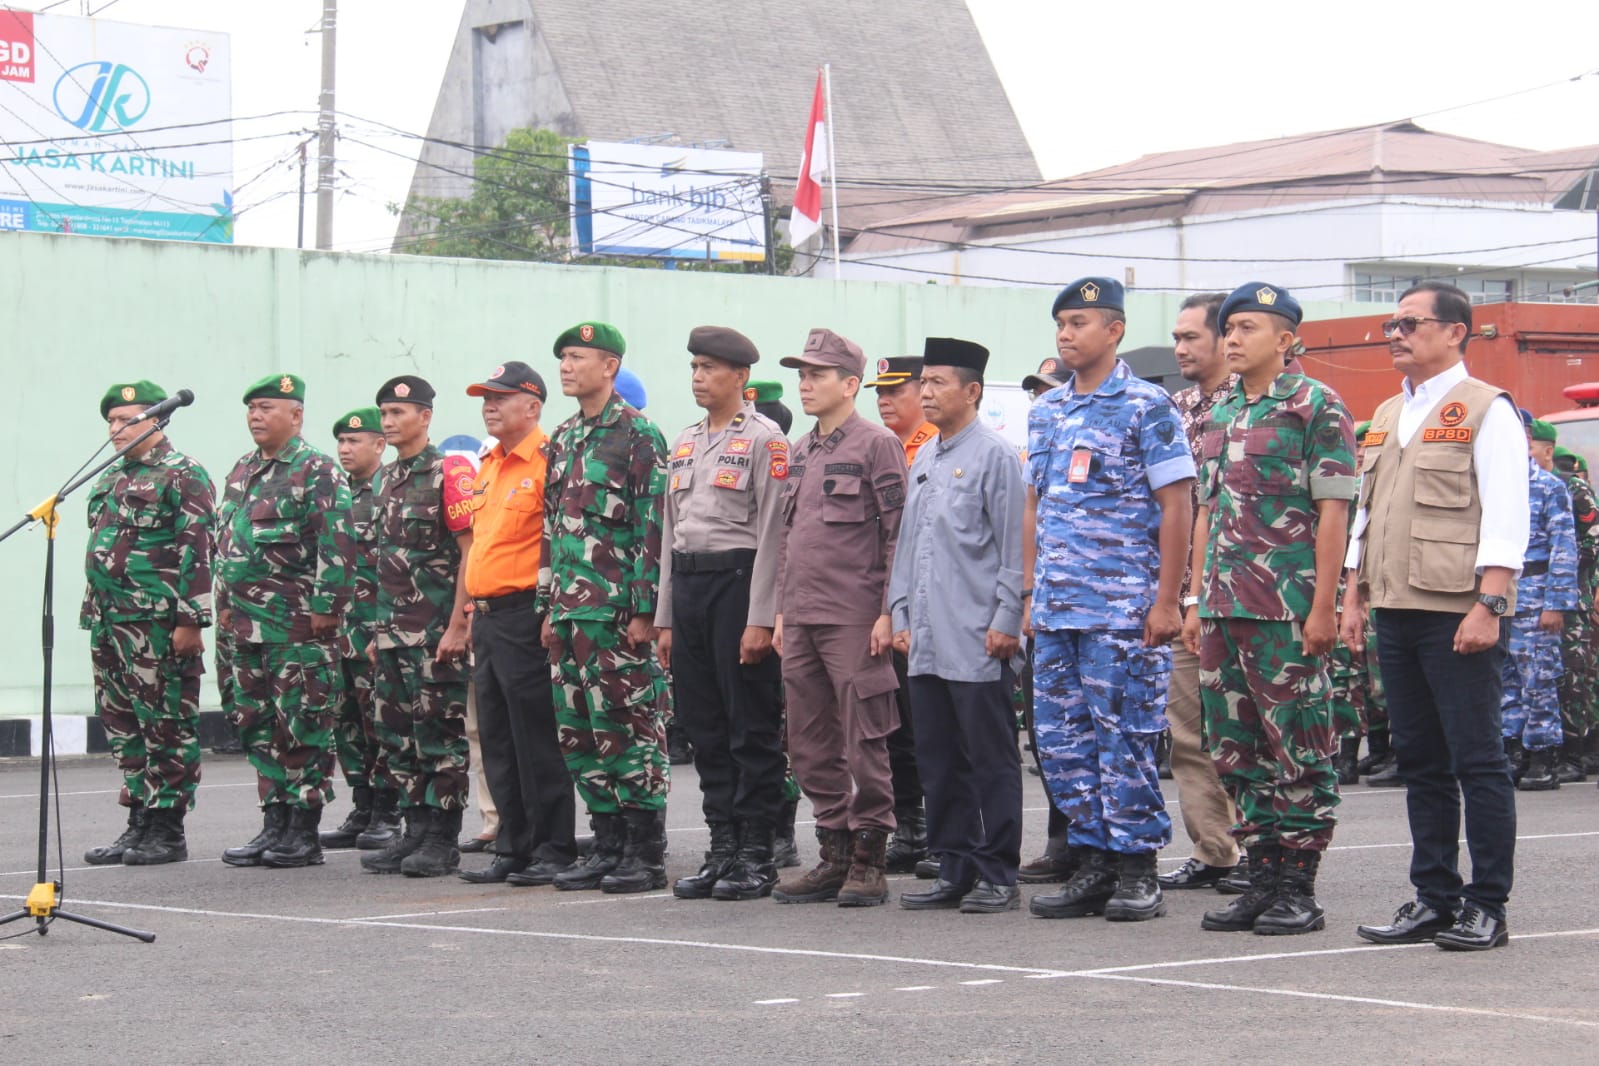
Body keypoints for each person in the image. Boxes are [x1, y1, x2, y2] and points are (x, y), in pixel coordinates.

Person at [1347, 280, 1528, 952]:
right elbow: (1366, 513)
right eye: (1390, 326)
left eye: (1409, 324)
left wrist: (1489, 604)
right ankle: (1433, 898)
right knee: (1420, 762)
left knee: (1477, 760)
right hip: (1395, 608)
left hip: (1457, 611)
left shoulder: (1486, 409)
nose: (1395, 335)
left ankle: (1487, 905)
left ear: (1454, 332)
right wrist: (1352, 594)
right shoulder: (1388, 411)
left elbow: (1507, 513)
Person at [1183, 282, 1356, 936]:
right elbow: (1205, 512)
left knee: (1300, 748)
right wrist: (1195, 599)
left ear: (1285, 339)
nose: (1231, 338)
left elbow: (1333, 511)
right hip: (1222, 609)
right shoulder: (1221, 410)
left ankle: (1297, 888)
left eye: (1247, 328)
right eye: (1227, 328)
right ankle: (1260, 879)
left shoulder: (1316, 405)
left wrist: (1323, 607)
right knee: (1235, 750)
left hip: (1286, 610)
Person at [1024, 277, 1193, 924]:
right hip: (1056, 608)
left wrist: (1167, 600)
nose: (1065, 334)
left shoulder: (1146, 405)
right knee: (1063, 743)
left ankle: (1136, 868)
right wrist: (1029, 592)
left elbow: (1176, 504)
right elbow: (1034, 505)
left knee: (1125, 738)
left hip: (1122, 610)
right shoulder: (1047, 410)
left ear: (1114, 330)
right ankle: (1091, 862)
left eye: (1078, 322)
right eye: (1060, 323)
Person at [770, 328, 907, 908]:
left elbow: (898, 535)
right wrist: (781, 611)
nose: (805, 384)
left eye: (817, 375)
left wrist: (889, 611)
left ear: (850, 384)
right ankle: (835, 851)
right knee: (807, 741)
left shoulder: (878, 445)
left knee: (865, 738)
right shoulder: (801, 450)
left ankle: (870, 858)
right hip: (802, 616)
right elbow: (789, 539)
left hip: (855, 617)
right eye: (802, 375)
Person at [889, 338, 1026, 914]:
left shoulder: (995, 455)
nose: (926, 392)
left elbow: (1015, 544)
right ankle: (954, 865)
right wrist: (898, 612)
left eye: (938, 382)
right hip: (926, 636)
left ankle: (997, 871)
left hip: (977, 634)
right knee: (938, 757)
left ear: (972, 391)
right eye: (923, 382)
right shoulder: (925, 456)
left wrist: (1008, 618)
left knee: (990, 759)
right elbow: (907, 545)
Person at [656, 326, 789, 901]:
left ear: (741, 376)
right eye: (694, 367)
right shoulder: (684, 441)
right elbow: (670, 532)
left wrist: (762, 616)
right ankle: (723, 846)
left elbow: (775, 533)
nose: (698, 377)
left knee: (748, 725)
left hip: (738, 585)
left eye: (709, 368)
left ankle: (757, 852)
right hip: (689, 589)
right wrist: (665, 616)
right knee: (703, 725)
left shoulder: (765, 439)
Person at [539, 321, 672, 894]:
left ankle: (645, 850)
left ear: (609, 366)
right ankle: (608, 842)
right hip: (569, 612)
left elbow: (652, 526)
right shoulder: (564, 437)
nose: (566, 367)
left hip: (616, 614)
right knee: (580, 732)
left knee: (629, 727)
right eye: (563, 358)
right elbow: (551, 527)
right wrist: (547, 604)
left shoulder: (639, 435)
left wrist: (645, 610)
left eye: (577, 356)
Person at [216, 373, 353, 868]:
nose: (255, 416)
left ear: (295, 415)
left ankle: (303, 829)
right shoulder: (244, 469)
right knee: (257, 724)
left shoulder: (316, 469)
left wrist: (326, 607)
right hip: (244, 625)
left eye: (267, 407)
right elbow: (227, 544)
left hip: (295, 624)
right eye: (251, 407)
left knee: (303, 724)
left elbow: (336, 542)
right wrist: (223, 603)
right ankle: (274, 821)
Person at [80, 381, 216, 867]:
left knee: (166, 725)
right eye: (112, 421)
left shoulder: (183, 474)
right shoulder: (111, 477)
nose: (117, 429)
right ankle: (139, 819)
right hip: (109, 620)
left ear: (157, 419)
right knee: (123, 725)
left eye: (128, 419)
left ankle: (167, 829)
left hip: (157, 624)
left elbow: (199, 551)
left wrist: (191, 620)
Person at [456, 361, 577, 887]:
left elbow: (561, 540)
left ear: (532, 406)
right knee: (498, 738)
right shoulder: (490, 464)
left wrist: (552, 609)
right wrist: (468, 614)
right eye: (486, 398)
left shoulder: (549, 461)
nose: (490, 406)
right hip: (486, 616)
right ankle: (513, 846)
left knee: (535, 737)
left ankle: (553, 847)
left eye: (500, 397)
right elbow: (482, 545)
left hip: (527, 612)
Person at [358, 376, 477, 877]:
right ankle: (414, 830)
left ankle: (442, 838)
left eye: (398, 413)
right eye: (384, 414)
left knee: (438, 734)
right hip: (391, 632)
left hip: (434, 633)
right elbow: (382, 560)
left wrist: (459, 626)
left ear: (425, 417)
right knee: (398, 736)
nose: (388, 422)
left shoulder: (449, 472)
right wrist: (376, 631)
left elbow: (470, 552)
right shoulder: (384, 479)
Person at [1156, 293, 1243, 894]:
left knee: (1250, 732)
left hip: (1249, 596)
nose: (1180, 348)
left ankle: (1268, 851)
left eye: (1191, 337)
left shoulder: (1260, 405)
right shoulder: (1173, 410)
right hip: (1184, 599)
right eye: (1176, 337)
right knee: (1188, 735)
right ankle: (1216, 849)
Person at [863, 354, 936, 874]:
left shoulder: (933, 444)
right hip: (881, 602)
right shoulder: (879, 445)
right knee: (892, 726)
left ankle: (938, 828)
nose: (885, 401)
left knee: (924, 722)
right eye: (879, 393)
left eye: (896, 391)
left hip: (925, 604)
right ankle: (910, 826)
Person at [320, 407, 390, 850]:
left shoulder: (389, 492)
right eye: (341, 442)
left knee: (379, 723)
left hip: (373, 630)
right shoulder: (334, 495)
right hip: (337, 632)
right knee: (344, 723)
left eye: (354, 441)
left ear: (379, 444)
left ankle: (388, 811)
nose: (345, 449)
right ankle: (362, 806)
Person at [1500, 419, 1577, 791]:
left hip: (1536, 592)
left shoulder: (1549, 486)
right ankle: (1513, 751)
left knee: (1539, 678)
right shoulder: (1496, 484)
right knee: (1505, 679)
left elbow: (1564, 546)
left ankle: (1543, 757)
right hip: (1501, 594)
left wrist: (1556, 604)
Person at [1549, 441, 1599, 781]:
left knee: (1576, 673)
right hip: (1539, 597)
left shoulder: (1573, 489)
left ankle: (1579, 751)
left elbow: (1592, 542)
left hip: (1575, 596)